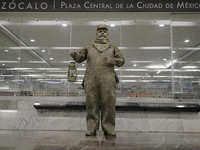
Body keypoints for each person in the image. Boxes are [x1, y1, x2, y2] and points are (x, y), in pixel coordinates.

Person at [69, 24, 125, 136]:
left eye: (104, 31)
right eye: (100, 31)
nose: (102, 33)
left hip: (108, 79)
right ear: (96, 34)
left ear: (107, 34)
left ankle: (108, 128)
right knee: (91, 103)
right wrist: (74, 55)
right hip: (91, 79)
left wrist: (111, 60)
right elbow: (80, 58)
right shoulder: (89, 48)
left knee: (109, 104)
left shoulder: (113, 48)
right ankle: (91, 127)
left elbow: (121, 61)